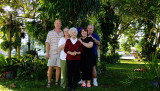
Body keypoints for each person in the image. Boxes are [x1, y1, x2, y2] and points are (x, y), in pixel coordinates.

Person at [45, 19, 63, 88]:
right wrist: (47, 52)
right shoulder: (50, 32)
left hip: (60, 53)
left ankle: (56, 82)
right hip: (52, 52)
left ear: (61, 25)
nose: (58, 24)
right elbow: (47, 43)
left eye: (59, 23)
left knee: (58, 67)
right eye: (57, 23)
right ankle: (49, 82)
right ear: (54, 24)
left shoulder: (62, 33)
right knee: (51, 67)